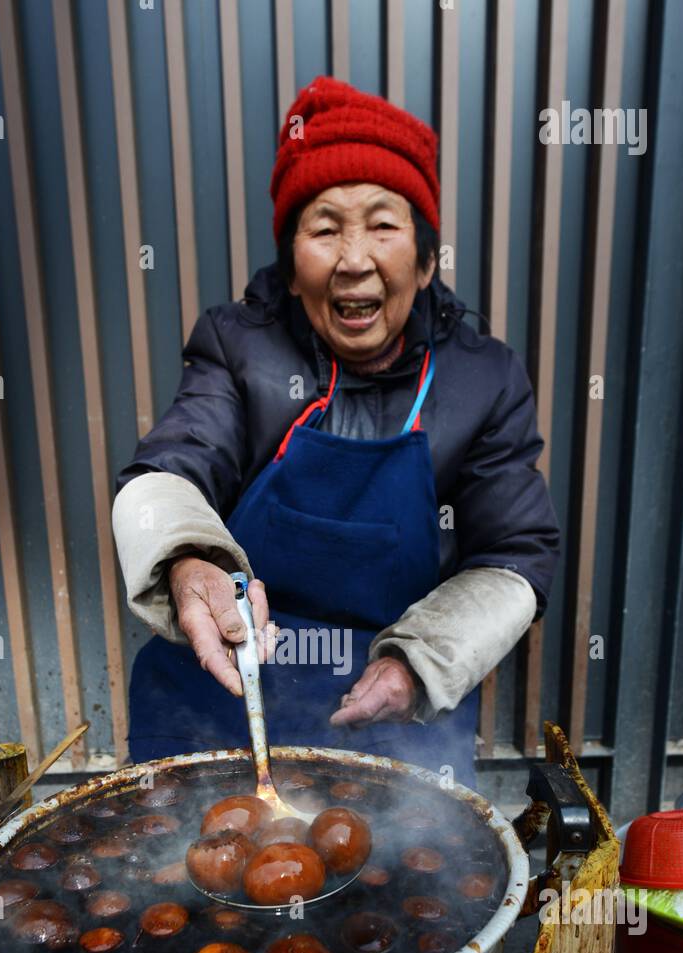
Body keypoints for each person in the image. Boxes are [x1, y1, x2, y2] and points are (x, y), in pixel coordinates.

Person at [112, 76, 559, 788]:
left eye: (383, 225)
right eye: (323, 228)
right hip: (226, 682)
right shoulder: (236, 344)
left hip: (391, 703)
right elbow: (170, 468)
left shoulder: (483, 378)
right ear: (291, 267)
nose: (354, 259)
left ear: (423, 257)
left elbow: (515, 557)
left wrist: (421, 662)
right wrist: (186, 559)